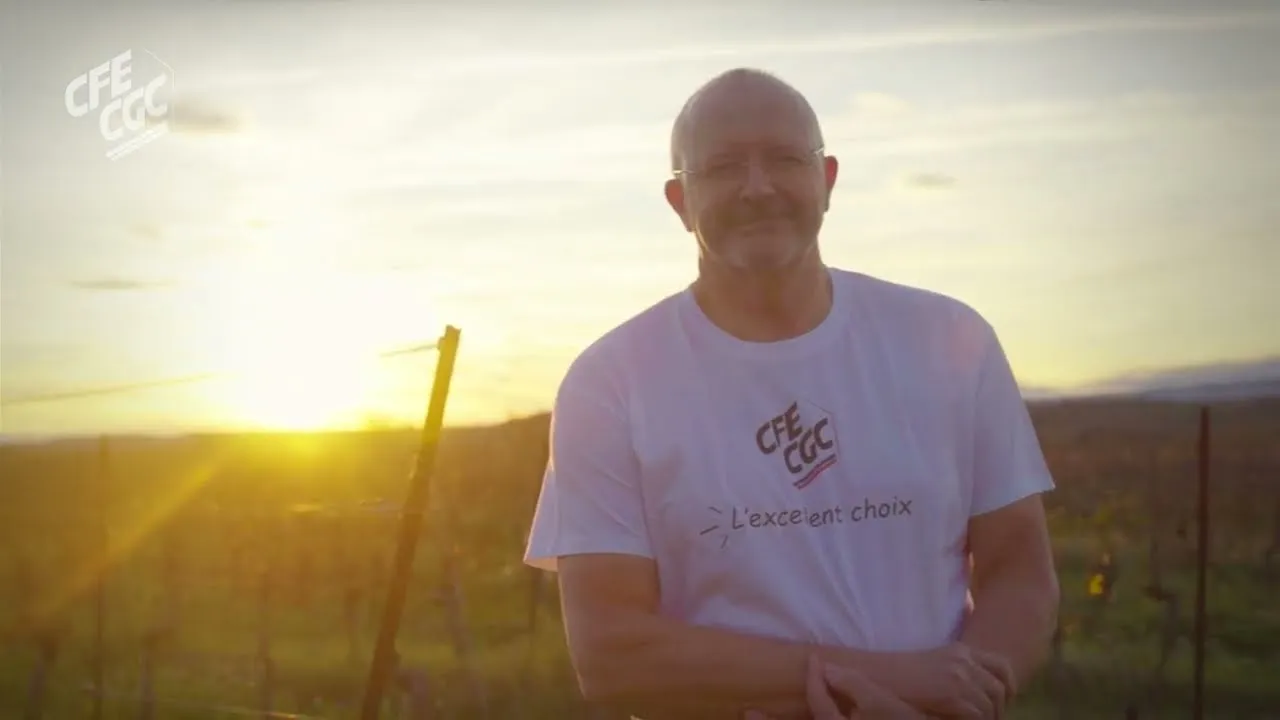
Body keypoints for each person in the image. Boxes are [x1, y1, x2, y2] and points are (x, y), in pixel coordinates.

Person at [523, 67, 1060, 720]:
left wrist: (963, 696)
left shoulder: (950, 340)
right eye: (723, 167)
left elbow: (1019, 574)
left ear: (827, 180)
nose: (758, 187)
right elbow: (612, 654)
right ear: (679, 200)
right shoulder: (609, 382)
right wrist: (900, 683)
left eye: (784, 159)